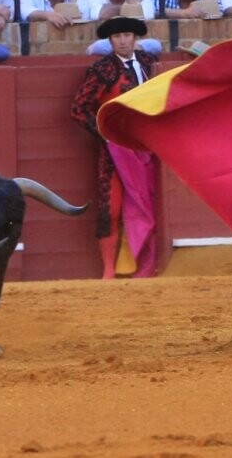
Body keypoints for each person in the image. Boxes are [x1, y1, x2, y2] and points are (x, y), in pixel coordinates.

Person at [70, 14, 160, 278]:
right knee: (112, 208)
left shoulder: (148, 64)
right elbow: (78, 109)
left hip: (147, 148)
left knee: (150, 204)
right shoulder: (102, 70)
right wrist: (105, 134)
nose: (123, 41)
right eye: (117, 37)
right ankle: (109, 270)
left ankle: (146, 266)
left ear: (135, 38)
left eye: (127, 35)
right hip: (114, 152)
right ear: (110, 41)